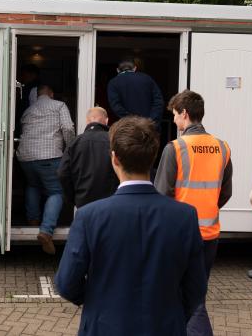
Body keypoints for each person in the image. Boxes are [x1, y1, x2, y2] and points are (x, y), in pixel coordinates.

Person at [54, 116, 208, 336]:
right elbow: (196, 290)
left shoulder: (90, 216)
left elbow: (67, 283)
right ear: (154, 156)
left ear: (114, 158)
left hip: (104, 325)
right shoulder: (185, 216)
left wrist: (99, 303)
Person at [154, 89, 232, 336]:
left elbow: (162, 195)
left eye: (175, 115)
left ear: (184, 113)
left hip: (179, 235)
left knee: (183, 297)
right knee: (196, 292)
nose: (175, 121)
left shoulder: (175, 148)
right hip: (209, 235)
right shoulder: (222, 147)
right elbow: (226, 192)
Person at [16, 84, 75, 254]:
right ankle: (46, 231)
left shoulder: (28, 110)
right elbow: (68, 128)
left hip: (26, 157)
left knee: (33, 186)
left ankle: (33, 223)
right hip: (48, 156)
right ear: (51, 93)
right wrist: (69, 149)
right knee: (55, 191)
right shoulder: (59, 106)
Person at [58, 106, 119, 209]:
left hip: (83, 201)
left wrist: (73, 198)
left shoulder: (75, 143)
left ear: (87, 121)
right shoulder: (114, 141)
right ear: (107, 121)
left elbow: (62, 173)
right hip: (111, 201)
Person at [107, 57, 164, 126]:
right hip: (149, 126)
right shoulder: (147, 78)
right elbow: (159, 101)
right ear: (134, 68)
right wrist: (151, 119)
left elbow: (116, 106)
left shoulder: (113, 82)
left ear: (118, 70)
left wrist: (131, 120)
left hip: (127, 127)